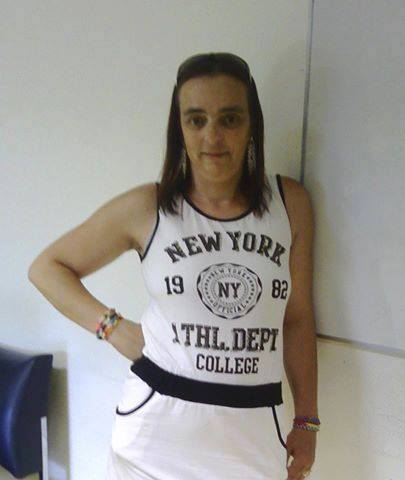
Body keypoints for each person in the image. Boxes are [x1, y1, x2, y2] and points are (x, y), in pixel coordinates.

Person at [28, 52, 319, 480]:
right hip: (154, 436)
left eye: (230, 119)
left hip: (253, 436)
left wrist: (307, 421)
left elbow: (297, 318)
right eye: (196, 119)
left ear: (251, 124)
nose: (212, 136)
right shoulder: (149, 207)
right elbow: (47, 268)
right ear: (179, 127)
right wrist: (113, 328)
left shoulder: (290, 204)